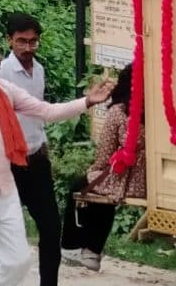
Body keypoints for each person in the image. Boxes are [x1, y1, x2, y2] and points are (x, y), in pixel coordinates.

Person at [0, 28, 111, 286]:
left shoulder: (3, 89)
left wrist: (87, 102)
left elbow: (46, 111)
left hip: (5, 192)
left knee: (18, 261)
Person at [0, 13, 65, 286]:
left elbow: (40, 112)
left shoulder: (39, 70)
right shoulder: (2, 72)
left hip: (37, 158)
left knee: (51, 228)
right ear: (10, 40)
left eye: (33, 41)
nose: (28, 47)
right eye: (22, 41)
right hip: (9, 162)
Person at [61, 61, 144, 271]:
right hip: (150, 180)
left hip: (128, 178)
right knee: (101, 190)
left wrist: (93, 170)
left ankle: (77, 247)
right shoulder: (159, 113)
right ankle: (91, 251)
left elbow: (104, 155)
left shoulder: (119, 112)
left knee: (85, 185)